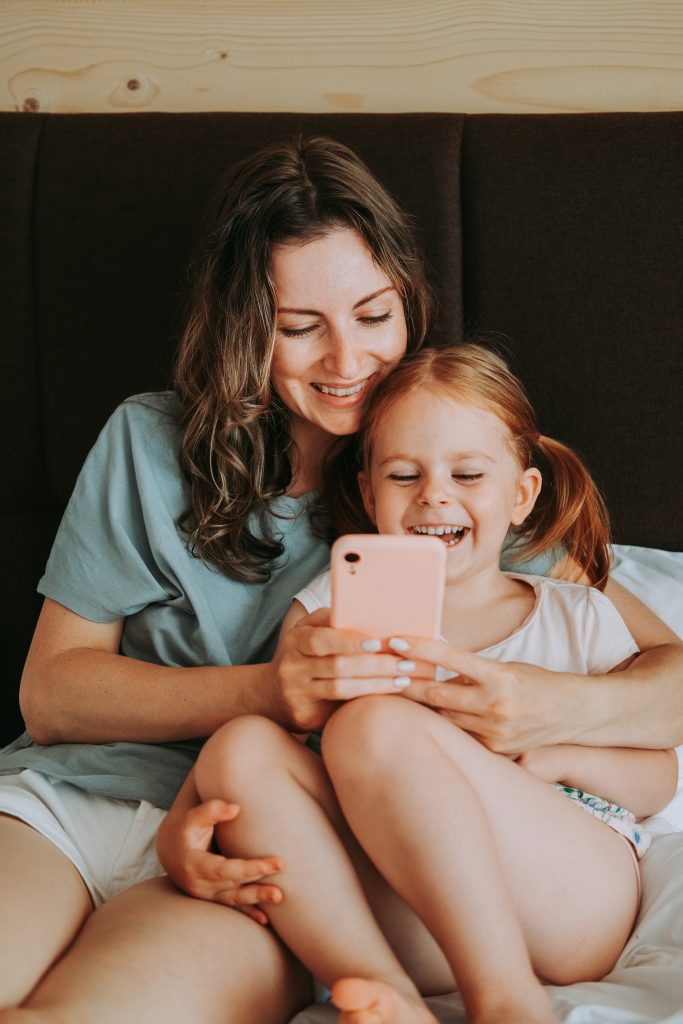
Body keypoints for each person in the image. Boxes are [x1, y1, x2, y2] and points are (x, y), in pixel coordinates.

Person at [0, 133, 679, 1024]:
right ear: (246, 326)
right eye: (297, 328)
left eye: (372, 314)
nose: (347, 359)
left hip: (273, 846)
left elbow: (662, 681)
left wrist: (538, 712)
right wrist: (266, 691)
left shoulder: (453, 468)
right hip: (88, 800)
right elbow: (52, 695)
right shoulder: (148, 443)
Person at [186, 344, 678, 1024]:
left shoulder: (575, 613)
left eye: (467, 473)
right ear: (367, 494)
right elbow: (268, 750)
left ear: (520, 495)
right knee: (239, 745)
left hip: (566, 898)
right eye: (404, 474)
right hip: (411, 909)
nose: (434, 495)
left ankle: (505, 999)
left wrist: (548, 757)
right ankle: (379, 989)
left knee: (372, 722)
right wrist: (175, 838)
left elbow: (659, 776)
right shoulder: (331, 609)